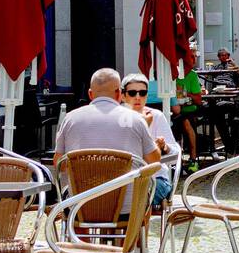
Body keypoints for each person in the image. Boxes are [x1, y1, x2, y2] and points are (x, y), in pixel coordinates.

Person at [54, 69, 160, 213]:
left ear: (90, 94)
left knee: (76, 205)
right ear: (118, 94)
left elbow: (59, 164)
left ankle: (79, 235)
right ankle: (135, 235)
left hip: (81, 208)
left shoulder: (70, 119)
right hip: (127, 209)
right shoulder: (137, 120)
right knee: (144, 194)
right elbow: (154, 161)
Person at [120, 73, 177, 205]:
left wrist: (164, 147)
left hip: (155, 178)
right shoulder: (117, 118)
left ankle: (135, 225)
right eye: (133, 93)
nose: (138, 97)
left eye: (143, 93)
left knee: (134, 198)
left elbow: (175, 152)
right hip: (124, 179)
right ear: (123, 96)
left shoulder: (156, 116)